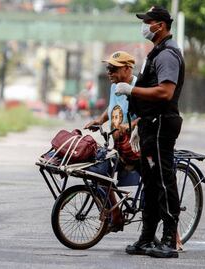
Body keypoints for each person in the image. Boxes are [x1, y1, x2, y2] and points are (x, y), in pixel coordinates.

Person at [115, 6, 185, 258]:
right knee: (151, 183)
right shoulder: (155, 53)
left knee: (164, 182)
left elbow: (165, 92)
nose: (145, 26)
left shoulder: (167, 55)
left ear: (161, 25)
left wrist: (130, 90)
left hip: (162, 124)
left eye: (149, 21)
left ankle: (168, 239)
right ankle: (146, 238)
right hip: (149, 124)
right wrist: (139, 122)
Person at [84, 51, 140, 232]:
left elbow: (148, 113)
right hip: (118, 145)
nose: (109, 72)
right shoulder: (114, 85)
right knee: (98, 172)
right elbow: (112, 106)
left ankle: (173, 234)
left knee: (155, 185)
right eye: (108, 68)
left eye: (113, 69)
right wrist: (100, 121)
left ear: (127, 68)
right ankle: (116, 215)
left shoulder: (139, 86)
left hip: (135, 145)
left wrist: (129, 126)